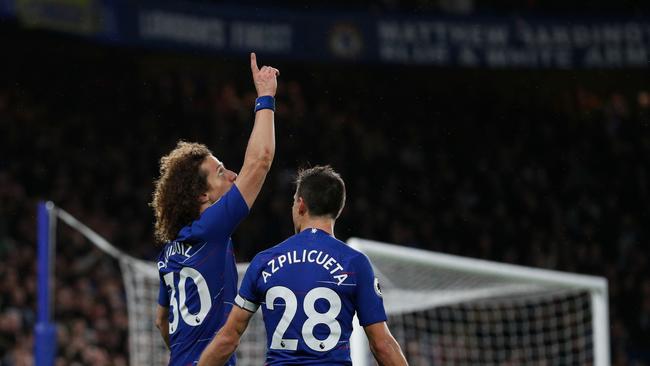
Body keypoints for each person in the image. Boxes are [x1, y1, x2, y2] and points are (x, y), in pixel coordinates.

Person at [198, 165, 408, 366]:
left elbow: (229, 337)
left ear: (300, 204)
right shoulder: (354, 263)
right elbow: (382, 344)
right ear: (338, 210)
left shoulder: (265, 261)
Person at [151, 53, 279, 366]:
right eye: (221, 173)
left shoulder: (169, 252)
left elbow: (160, 322)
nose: (233, 176)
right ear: (201, 196)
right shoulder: (212, 229)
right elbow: (259, 161)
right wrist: (265, 98)